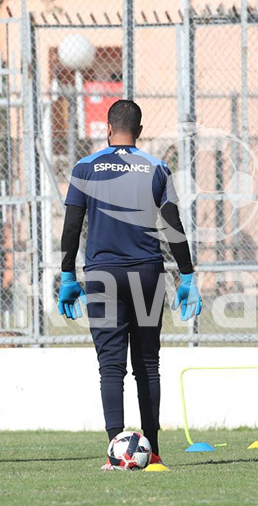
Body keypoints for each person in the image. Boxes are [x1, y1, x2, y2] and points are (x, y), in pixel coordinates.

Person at [58, 100, 201, 470]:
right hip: (147, 272)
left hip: (103, 272)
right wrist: (187, 274)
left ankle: (114, 450)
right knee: (148, 364)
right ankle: (151, 451)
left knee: (110, 366)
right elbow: (172, 224)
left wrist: (68, 275)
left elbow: (72, 226)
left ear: (108, 128)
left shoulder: (84, 167)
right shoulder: (157, 167)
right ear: (138, 132)